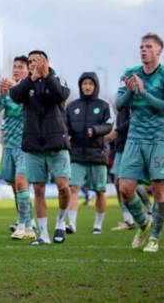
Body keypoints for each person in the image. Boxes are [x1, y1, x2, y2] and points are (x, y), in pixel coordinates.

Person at [115, 33, 164, 253]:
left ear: (159, 50)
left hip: (158, 138)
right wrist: (132, 91)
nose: (143, 50)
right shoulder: (130, 74)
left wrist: (144, 91)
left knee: (159, 190)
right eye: (141, 46)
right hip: (134, 138)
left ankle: (154, 238)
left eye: (148, 47)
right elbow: (119, 104)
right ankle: (143, 224)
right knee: (125, 188)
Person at [9, 50, 71, 246]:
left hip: (57, 143)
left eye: (38, 60)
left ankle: (61, 222)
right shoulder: (25, 84)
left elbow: (61, 95)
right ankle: (43, 234)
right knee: (38, 189)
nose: (34, 63)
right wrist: (32, 78)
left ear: (47, 62)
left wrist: (46, 76)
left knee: (63, 186)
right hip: (33, 144)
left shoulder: (57, 79)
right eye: (30, 61)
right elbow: (15, 96)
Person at [65, 72, 113, 234]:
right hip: (77, 155)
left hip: (98, 155)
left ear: (95, 86)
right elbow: (65, 128)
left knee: (100, 191)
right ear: (80, 86)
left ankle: (98, 225)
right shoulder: (72, 106)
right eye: (84, 84)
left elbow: (109, 125)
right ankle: (71, 224)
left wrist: (96, 130)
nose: (87, 86)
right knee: (73, 189)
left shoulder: (104, 105)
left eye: (90, 84)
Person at [0, 55, 34, 240]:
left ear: (28, 70)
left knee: (21, 183)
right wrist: (1, 95)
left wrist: (15, 88)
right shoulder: (7, 92)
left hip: (25, 145)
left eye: (20, 67)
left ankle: (25, 226)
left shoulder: (30, 90)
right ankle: (25, 219)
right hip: (9, 146)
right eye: (14, 66)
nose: (16, 69)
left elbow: (28, 107)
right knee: (15, 187)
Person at [108, 107, 152, 231]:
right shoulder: (122, 102)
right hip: (121, 147)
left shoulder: (134, 100)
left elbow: (134, 120)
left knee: (129, 183)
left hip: (132, 145)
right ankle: (128, 219)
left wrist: (116, 131)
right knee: (118, 183)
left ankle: (149, 208)